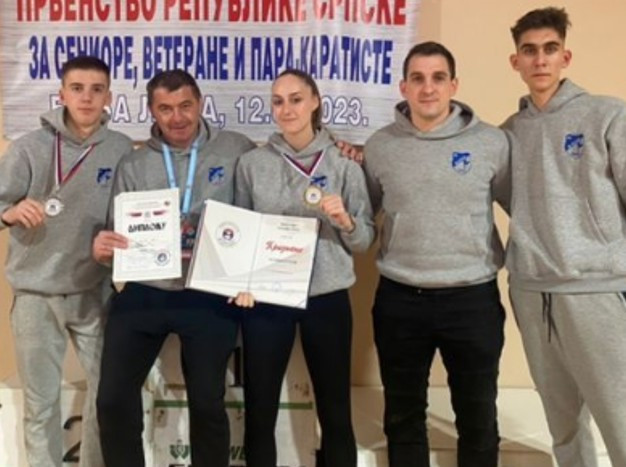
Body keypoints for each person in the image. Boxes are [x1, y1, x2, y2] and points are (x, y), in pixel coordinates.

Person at [91, 69, 256, 467]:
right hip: (146, 291)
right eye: (165, 109)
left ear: (200, 104)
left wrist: (339, 144)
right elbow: (117, 234)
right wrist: (104, 248)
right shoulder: (134, 163)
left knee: (207, 402)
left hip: (208, 291)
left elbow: (269, 185)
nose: (177, 117)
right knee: (111, 398)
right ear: (152, 111)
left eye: (185, 106)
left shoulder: (236, 149)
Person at [363, 42, 511, 467]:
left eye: (438, 78)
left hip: (472, 299)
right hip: (400, 298)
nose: (428, 88)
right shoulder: (380, 146)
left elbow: (523, 207)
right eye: (418, 78)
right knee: (403, 417)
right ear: (403, 87)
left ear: (454, 85)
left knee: (478, 417)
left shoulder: (491, 142)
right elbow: (364, 215)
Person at [230, 68, 375, 467]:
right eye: (278, 101)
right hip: (267, 299)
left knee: (335, 411)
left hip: (327, 297)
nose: (287, 109)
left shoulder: (344, 164)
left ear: (314, 102)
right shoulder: (252, 164)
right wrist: (243, 282)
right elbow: (241, 234)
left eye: (296, 99)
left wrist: (345, 221)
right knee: (259, 410)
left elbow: (365, 240)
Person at [503, 8, 626, 466]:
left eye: (550, 49)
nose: (540, 59)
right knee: (563, 424)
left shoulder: (607, 114)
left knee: (620, 416)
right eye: (529, 51)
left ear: (565, 57)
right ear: (515, 61)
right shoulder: (508, 134)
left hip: (595, 289)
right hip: (531, 290)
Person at [0, 56, 133, 467]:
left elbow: (127, 215)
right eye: (77, 88)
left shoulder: (120, 148)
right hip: (35, 293)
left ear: (109, 97)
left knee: (105, 397)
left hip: (92, 290)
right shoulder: (28, 147)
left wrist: (115, 242)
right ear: (61, 94)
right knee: (40, 404)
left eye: (96, 89)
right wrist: (10, 211)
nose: (86, 98)